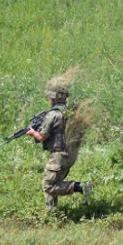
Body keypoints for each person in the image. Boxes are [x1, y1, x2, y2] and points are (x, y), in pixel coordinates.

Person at [25, 80, 91, 211]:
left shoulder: (53, 114)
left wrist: (32, 132)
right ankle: (51, 211)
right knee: (52, 181)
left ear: (55, 97)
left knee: (48, 185)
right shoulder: (71, 112)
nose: (48, 99)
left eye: (50, 96)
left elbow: (42, 136)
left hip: (58, 155)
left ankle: (81, 187)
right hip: (71, 154)